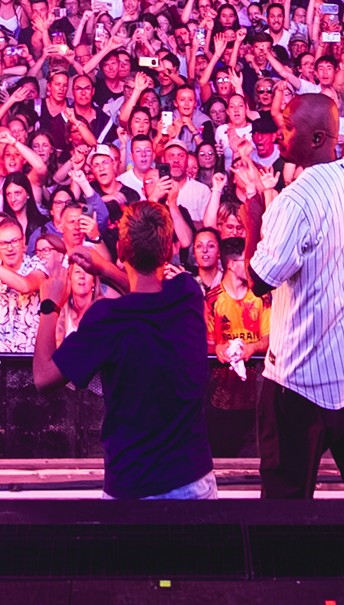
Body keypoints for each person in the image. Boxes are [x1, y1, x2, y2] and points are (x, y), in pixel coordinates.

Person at [248, 92, 344, 502]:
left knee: (285, 498)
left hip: (300, 377)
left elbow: (260, 281)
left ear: (317, 138)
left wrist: (251, 216)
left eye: (286, 127)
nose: (280, 136)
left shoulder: (293, 200)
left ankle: (285, 568)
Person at [36, 204, 215, 500]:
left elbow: (43, 377)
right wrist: (105, 270)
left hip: (132, 484)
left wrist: (50, 305)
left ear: (120, 248)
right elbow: (147, 297)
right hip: (193, 479)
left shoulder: (107, 318)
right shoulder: (187, 293)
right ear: (170, 251)